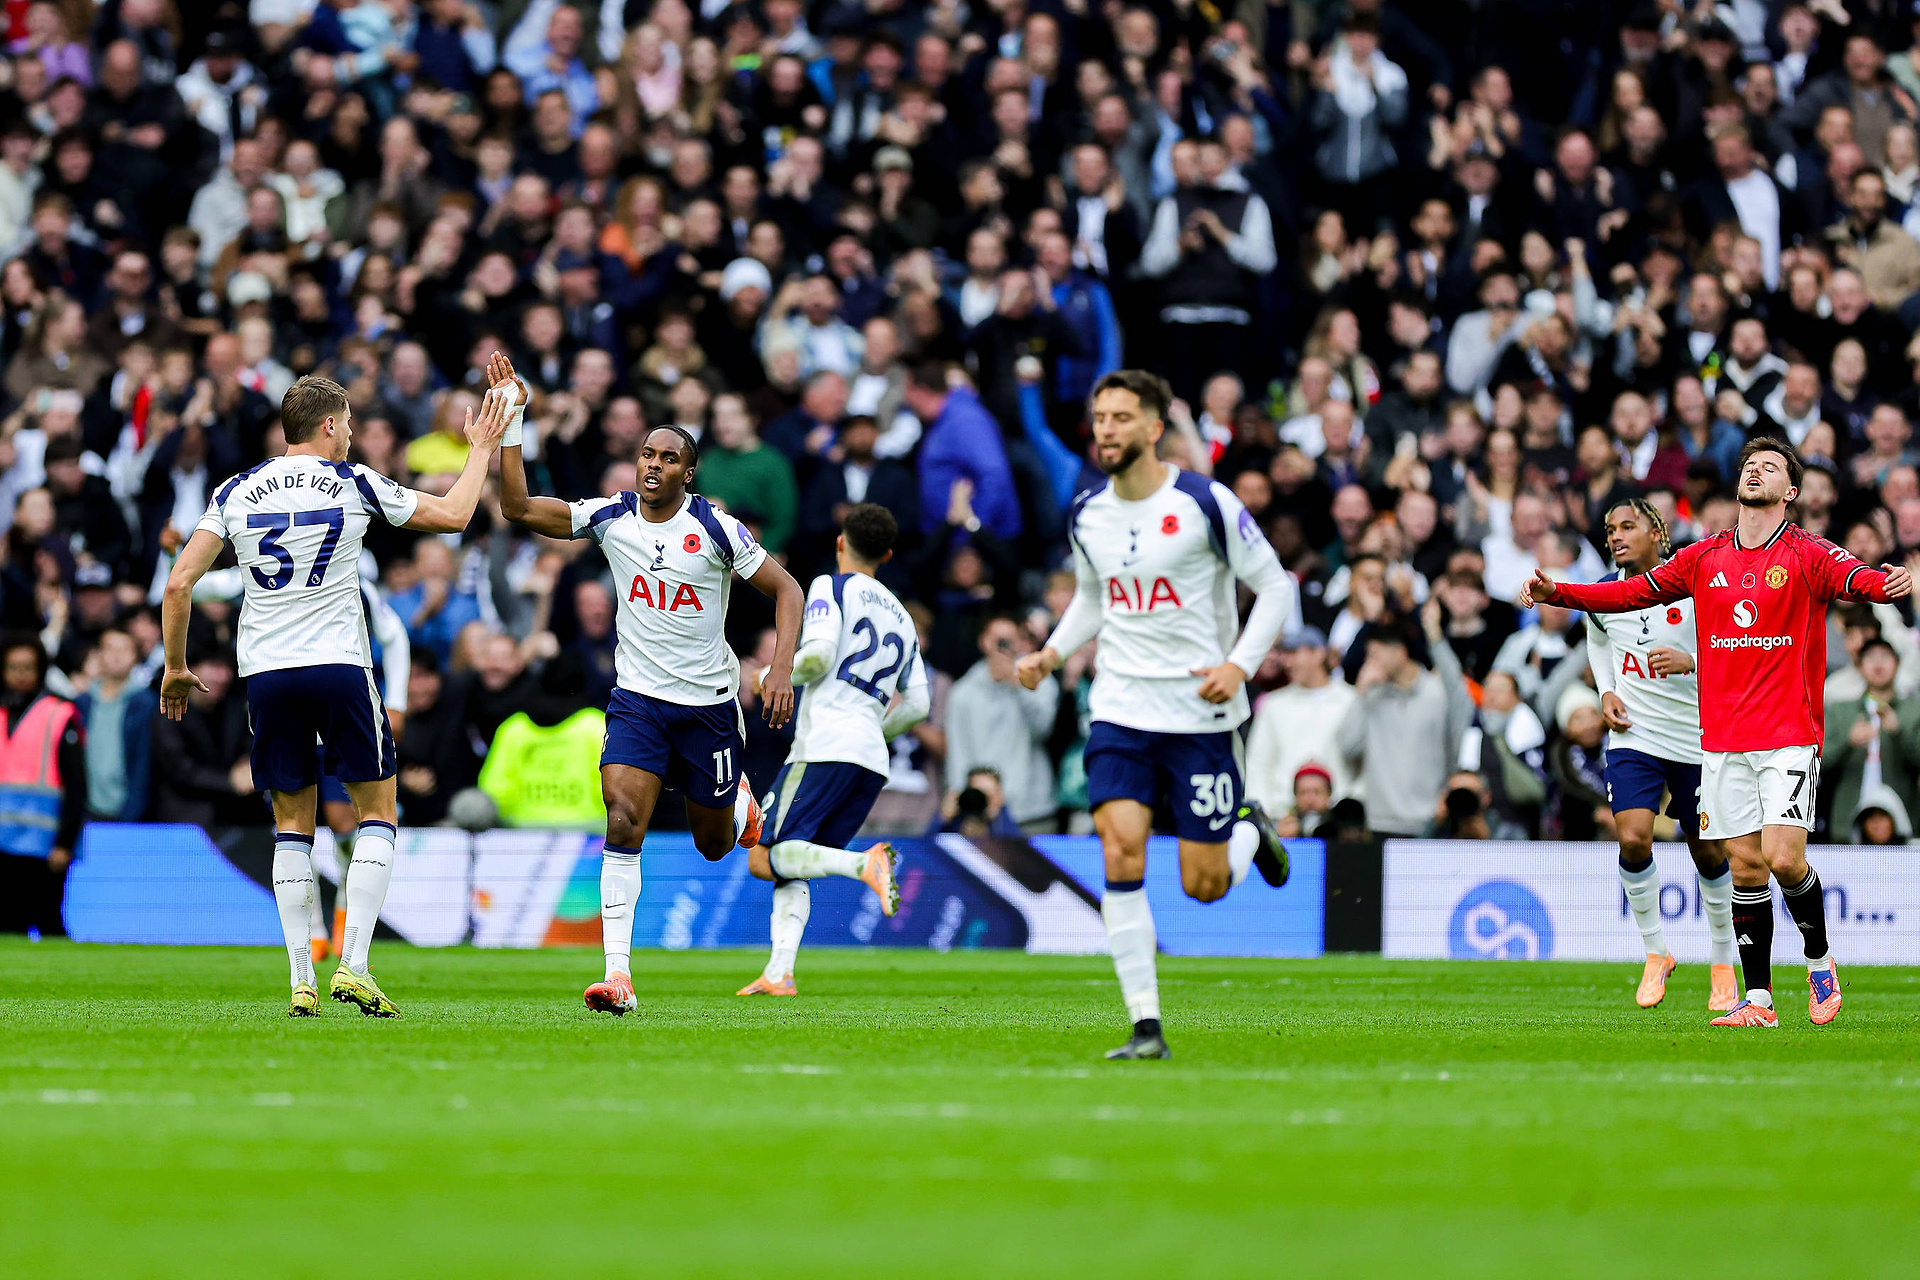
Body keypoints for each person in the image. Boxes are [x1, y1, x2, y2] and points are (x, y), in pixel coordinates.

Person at [1524, 438, 1914, 1028]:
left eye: (1770, 468)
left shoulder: (1807, 553)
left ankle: (1819, 960)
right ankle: (1758, 1001)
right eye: (1750, 466)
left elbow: (1853, 575)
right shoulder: (1704, 556)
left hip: (1788, 733)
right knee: (1745, 866)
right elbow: (1628, 594)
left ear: (1790, 491)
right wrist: (1562, 593)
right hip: (1722, 738)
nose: (1755, 472)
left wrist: (1884, 584)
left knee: (1783, 858)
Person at [161, 373, 508, 1018]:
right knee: (378, 812)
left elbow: (179, 584)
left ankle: (301, 979)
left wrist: (175, 666)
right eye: (347, 424)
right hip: (339, 668)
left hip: (268, 676)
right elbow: (455, 515)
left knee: (292, 825)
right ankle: (354, 964)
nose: (351, 435)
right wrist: (482, 448)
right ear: (328, 425)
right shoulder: (353, 482)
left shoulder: (234, 490)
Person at [492, 353, 804, 1017]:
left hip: (709, 707)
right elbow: (515, 507)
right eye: (646, 455)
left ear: (689, 473)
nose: (653, 465)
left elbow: (788, 590)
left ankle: (740, 807)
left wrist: (779, 668)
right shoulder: (613, 517)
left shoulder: (716, 529)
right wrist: (516, 419)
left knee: (714, 845)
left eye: (668, 458)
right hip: (638, 703)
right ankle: (618, 976)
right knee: (622, 816)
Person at [1016, 370, 1293, 1061]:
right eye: (1099, 417)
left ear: (1153, 428)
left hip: (1201, 715)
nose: (1106, 429)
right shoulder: (1088, 513)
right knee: (1120, 848)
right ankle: (1145, 1026)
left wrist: (1239, 665)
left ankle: (1249, 832)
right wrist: (1052, 653)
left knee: (1204, 885)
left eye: (1120, 417)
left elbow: (1275, 586)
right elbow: (1093, 596)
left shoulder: (1204, 502)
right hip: (1120, 710)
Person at [738, 503, 930, 996]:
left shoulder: (832, 586)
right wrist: (874, 729)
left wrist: (770, 675)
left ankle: (864, 865)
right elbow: (919, 705)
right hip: (870, 759)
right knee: (793, 857)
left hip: (825, 744)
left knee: (763, 856)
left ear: (841, 543)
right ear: (886, 555)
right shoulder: (905, 619)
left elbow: (820, 655)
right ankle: (779, 972)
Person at [1582, 499, 1738, 1012]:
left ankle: (1722, 960)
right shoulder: (1605, 593)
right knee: (1632, 837)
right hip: (1636, 735)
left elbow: (1735, 649)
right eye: (1610, 529)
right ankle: (1656, 951)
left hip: (1696, 738)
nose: (1616, 536)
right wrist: (1607, 690)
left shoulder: (1694, 588)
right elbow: (1597, 639)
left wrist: (1690, 661)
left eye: (1627, 526)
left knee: (1707, 850)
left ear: (1656, 532)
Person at [0, 634, 85, 935]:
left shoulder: (59, 714)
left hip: (43, 847)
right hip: (4, 846)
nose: (20, 675)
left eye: (27, 667)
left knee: (48, 923)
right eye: (13, 667)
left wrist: (65, 843)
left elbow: (77, 787)